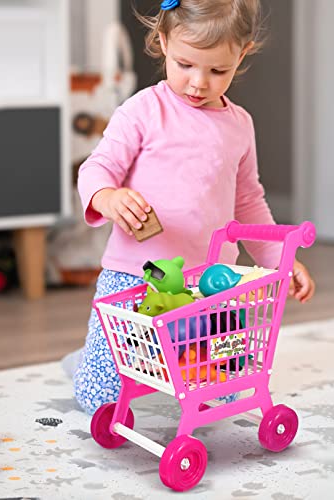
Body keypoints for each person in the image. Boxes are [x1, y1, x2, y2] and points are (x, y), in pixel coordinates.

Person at [70, 0, 316, 415]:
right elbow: (98, 167)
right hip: (135, 275)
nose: (199, 82)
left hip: (210, 283)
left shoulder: (239, 125)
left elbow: (248, 200)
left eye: (218, 70)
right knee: (99, 400)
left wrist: (280, 261)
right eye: (185, 64)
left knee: (220, 393)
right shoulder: (142, 110)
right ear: (164, 42)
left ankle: (172, 371)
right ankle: (89, 360)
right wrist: (107, 197)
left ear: (241, 53)